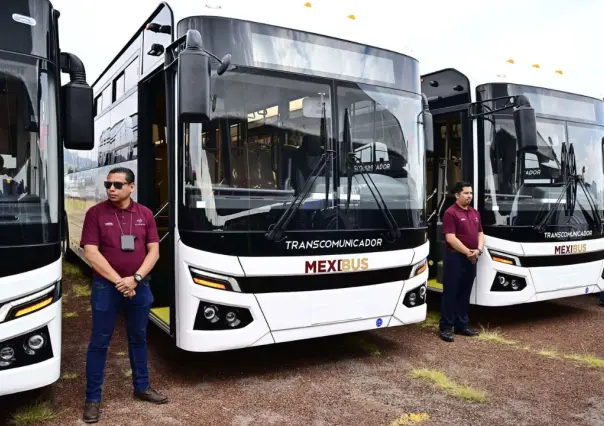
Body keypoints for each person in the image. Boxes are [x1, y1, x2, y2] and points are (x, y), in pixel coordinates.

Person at [80, 167, 167, 423]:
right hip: (106, 288)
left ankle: (142, 387)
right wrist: (120, 281)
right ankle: (93, 399)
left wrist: (136, 278)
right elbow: (91, 252)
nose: (111, 189)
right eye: (108, 184)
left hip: (139, 287)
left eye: (118, 184)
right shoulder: (95, 214)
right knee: (99, 343)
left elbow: (154, 251)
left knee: (139, 338)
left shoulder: (145, 214)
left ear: (132, 187)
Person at [439, 181, 484, 343]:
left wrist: (478, 250)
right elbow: (451, 238)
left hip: (472, 258)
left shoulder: (475, 213)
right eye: (466, 193)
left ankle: (461, 325)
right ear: (457, 195)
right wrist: (467, 252)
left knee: (465, 292)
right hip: (455, 258)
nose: (469, 196)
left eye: (471, 193)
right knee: (451, 292)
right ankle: (445, 327)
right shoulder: (450, 213)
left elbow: (480, 234)